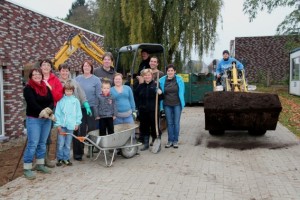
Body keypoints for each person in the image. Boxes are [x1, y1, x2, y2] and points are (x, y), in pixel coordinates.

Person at [23, 68, 54, 180]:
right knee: (33, 143)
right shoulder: (28, 88)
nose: (37, 76)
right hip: (34, 120)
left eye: (39, 74)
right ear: (31, 76)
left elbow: (52, 101)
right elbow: (32, 103)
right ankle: (27, 168)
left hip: (46, 120)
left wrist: (48, 111)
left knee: (42, 142)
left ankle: (40, 164)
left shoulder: (45, 87)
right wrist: (42, 112)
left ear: (42, 75)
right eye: (34, 74)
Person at [74, 60, 101, 161]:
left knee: (92, 130)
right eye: (84, 66)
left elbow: (98, 95)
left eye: (88, 66)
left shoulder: (96, 80)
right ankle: (79, 153)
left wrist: (98, 110)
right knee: (80, 130)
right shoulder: (77, 79)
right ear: (82, 67)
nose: (86, 67)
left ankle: (90, 149)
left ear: (91, 68)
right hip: (80, 108)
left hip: (92, 108)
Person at [40, 59, 63, 168]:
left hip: (50, 109)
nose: (46, 67)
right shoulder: (36, 78)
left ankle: (46, 159)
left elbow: (59, 96)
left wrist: (50, 89)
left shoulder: (55, 80)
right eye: (44, 65)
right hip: (37, 110)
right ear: (40, 67)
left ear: (51, 67)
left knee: (47, 134)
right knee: (37, 135)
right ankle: (39, 159)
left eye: (48, 65)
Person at [54, 81, 82, 166]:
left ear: (72, 91)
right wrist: (58, 124)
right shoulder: (61, 101)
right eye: (67, 91)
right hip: (62, 126)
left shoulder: (76, 101)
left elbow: (78, 113)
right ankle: (60, 158)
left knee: (68, 143)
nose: (68, 92)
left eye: (70, 91)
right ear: (64, 91)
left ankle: (66, 158)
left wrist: (77, 123)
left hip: (71, 126)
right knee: (60, 143)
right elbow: (57, 113)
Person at [135, 69, 163, 151]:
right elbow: (136, 97)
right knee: (144, 127)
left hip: (153, 111)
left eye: (149, 75)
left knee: (155, 127)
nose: (147, 77)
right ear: (143, 76)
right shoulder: (140, 86)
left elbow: (161, 98)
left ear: (152, 76)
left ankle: (156, 142)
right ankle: (146, 144)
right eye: (145, 75)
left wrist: (160, 93)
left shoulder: (156, 85)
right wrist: (138, 108)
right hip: (143, 111)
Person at [159, 64, 185, 149]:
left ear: (175, 71)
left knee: (176, 123)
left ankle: (175, 141)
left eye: (171, 70)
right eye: (168, 71)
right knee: (169, 123)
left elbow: (182, 91)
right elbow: (157, 88)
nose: (170, 72)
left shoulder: (179, 79)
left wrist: (182, 103)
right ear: (166, 72)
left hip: (177, 104)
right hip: (167, 105)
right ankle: (170, 140)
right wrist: (157, 90)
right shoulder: (162, 80)